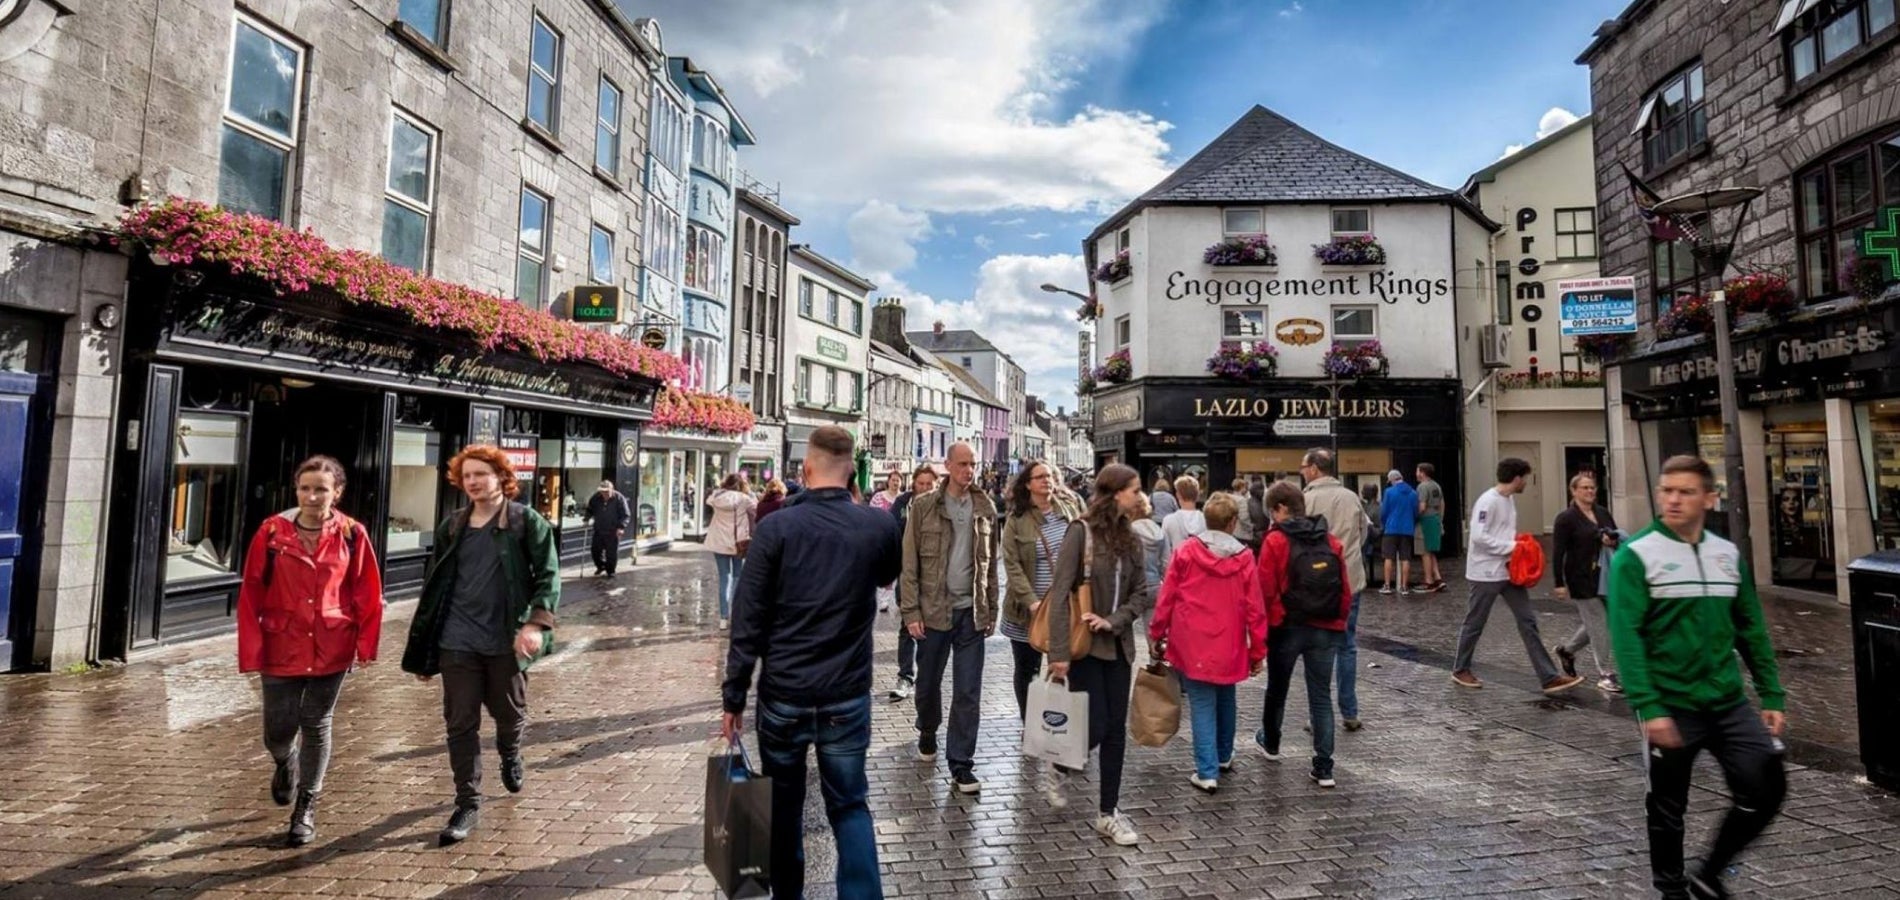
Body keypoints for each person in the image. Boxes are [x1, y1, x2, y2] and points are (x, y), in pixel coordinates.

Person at [722, 425, 901, 900]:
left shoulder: (777, 527)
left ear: (804, 468)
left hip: (784, 695)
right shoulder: (879, 526)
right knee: (850, 806)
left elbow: (749, 617)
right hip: (845, 696)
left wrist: (734, 694)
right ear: (853, 471)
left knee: (784, 809)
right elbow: (886, 574)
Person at [1610, 455, 1786, 900]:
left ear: (1710, 497)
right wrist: (1649, 707)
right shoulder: (1636, 555)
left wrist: (1771, 694)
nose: (1672, 499)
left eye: (1685, 491)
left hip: (1727, 702)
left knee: (1766, 785)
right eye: (1666, 490)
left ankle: (1709, 875)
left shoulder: (1726, 555)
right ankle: (1671, 891)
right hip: (1670, 705)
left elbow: (1750, 627)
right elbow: (1626, 636)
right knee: (1668, 808)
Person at [400, 445, 560, 846]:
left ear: (501, 477)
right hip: (458, 640)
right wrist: (426, 648)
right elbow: (435, 588)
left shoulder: (527, 522)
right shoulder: (452, 525)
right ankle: (467, 801)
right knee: (460, 723)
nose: (472, 482)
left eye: (481, 475)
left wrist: (536, 624)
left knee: (509, 713)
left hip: (506, 641)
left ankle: (510, 751)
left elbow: (549, 575)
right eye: (467, 475)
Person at [236, 455, 383, 847]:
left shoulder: (353, 534)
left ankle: (306, 806)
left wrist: (366, 645)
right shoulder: (271, 533)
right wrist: (250, 649)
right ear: (296, 490)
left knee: (316, 722)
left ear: (337, 492)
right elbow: (251, 591)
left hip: (332, 645)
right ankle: (285, 762)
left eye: (322, 488)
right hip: (280, 643)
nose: (313, 496)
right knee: (278, 731)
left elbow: (368, 591)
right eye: (306, 488)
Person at [1045, 464, 1154, 845]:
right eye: (1134, 489)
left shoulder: (1133, 537)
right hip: (1084, 647)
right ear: (1114, 493)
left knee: (1115, 732)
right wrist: (1058, 653)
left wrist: (1114, 620)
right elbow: (1059, 593)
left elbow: (1142, 592)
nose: (1140, 496)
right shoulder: (1081, 532)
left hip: (1118, 645)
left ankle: (1108, 813)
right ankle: (1061, 763)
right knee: (1096, 723)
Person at [1149, 493, 1265, 793]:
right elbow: (1255, 607)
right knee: (1226, 696)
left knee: (1201, 703)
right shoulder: (1244, 557)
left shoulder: (1187, 552)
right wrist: (1258, 650)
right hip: (1231, 639)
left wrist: (1157, 631)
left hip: (1191, 639)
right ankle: (1223, 755)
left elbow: (1168, 596)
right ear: (1232, 522)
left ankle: (1206, 770)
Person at [900, 442, 998, 795]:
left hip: (971, 613)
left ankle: (961, 765)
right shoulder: (924, 506)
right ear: (947, 466)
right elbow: (909, 565)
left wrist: (991, 609)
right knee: (927, 686)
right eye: (961, 464)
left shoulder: (985, 507)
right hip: (933, 612)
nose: (968, 471)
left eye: (972, 464)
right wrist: (910, 611)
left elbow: (989, 565)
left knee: (968, 691)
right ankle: (928, 729)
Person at [1450, 458, 1584, 694]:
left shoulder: (1508, 500)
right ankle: (1460, 669)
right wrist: (1513, 547)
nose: (1526, 484)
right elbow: (1479, 537)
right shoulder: (1487, 502)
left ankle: (1549, 677)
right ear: (1517, 478)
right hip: (1485, 573)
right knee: (1475, 622)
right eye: (1526, 478)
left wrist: (1515, 548)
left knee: (1527, 620)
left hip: (1509, 571)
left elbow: (1500, 533)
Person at [1253, 482, 1352, 788]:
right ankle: (1324, 767)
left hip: (1287, 626)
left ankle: (1271, 741)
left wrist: (1266, 627)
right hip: (1325, 626)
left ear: (1279, 509)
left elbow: (1265, 589)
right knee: (1321, 697)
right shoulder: (1330, 540)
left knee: (1277, 689)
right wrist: (1339, 621)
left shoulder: (1275, 542)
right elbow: (1344, 590)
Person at [998, 461, 1082, 721]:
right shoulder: (1017, 519)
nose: (1046, 480)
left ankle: (1061, 722)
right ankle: (1031, 722)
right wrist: (1032, 602)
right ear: (1028, 484)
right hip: (1027, 610)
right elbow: (1011, 564)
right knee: (1027, 670)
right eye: (1040, 477)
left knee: (1065, 668)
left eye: (1049, 475)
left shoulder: (1070, 510)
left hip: (1065, 607)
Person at [1297, 449, 1369, 732]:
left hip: (1315, 585)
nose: (1302, 471)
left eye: (1304, 467)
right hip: (1349, 579)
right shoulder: (1352, 497)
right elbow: (1364, 534)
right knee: (1347, 646)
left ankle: (1317, 716)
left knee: (1317, 648)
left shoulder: (1306, 499)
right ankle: (1349, 711)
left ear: (1314, 469)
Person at [1552, 473, 1624, 693]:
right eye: (1584, 488)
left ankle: (1567, 650)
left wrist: (1611, 538)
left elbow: (1615, 536)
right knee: (1599, 622)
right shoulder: (1566, 518)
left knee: (1601, 621)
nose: (1590, 491)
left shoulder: (1602, 512)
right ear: (1573, 491)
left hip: (1605, 575)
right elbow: (1558, 552)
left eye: (1592, 488)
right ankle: (1606, 673)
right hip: (1580, 577)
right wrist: (1559, 582)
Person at [886, 467, 938, 701]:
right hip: (907, 574)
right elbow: (891, 533)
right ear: (914, 484)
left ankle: (927, 678)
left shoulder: (944, 506)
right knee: (907, 626)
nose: (925, 488)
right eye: (921, 483)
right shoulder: (903, 504)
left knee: (933, 629)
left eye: (930, 484)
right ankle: (906, 676)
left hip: (936, 579)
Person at [705, 474, 756, 630]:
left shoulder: (716, 497)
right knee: (737, 576)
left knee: (724, 578)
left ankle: (723, 617)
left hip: (719, 542)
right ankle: (736, 614)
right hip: (737, 543)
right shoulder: (743, 499)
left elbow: (709, 500)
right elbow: (756, 508)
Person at [1379, 470, 1418, 596]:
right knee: (1405, 558)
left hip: (1391, 528)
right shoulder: (1413, 493)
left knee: (1388, 557)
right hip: (1407, 529)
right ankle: (1404, 587)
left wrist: (1384, 523)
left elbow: (1384, 511)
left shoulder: (1389, 492)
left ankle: (1387, 585)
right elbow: (1415, 512)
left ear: (1392, 480)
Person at [583, 480, 631, 578]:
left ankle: (610, 571)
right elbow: (590, 509)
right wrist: (586, 519)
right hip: (599, 529)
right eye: (602, 491)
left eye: (606, 491)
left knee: (611, 553)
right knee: (595, 551)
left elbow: (626, 515)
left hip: (612, 530)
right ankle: (601, 566)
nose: (604, 494)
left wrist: (621, 527)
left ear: (611, 490)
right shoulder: (596, 498)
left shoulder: (619, 498)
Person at [1159, 474, 1207, 568]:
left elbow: (1165, 552)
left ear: (1178, 495)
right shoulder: (1206, 519)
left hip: (1177, 568)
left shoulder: (1169, 520)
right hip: (1201, 569)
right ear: (1197, 495)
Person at [1415, 462, 1448, 592]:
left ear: (1422, 473)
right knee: (1431, 550)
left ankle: (1428, 581)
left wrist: (1414, 516)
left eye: (1417, 471)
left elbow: (1422, 506)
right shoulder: (1436, 486)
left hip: (1425, 521)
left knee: (1424, 552)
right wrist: (1440, 519)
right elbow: (1442, 503)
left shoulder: (1422, 487)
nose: (1416, 473)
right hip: (1435, 519)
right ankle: (1438, 578)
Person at [1130, 493, 1168, 589]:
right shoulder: (1159, 530)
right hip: (1156, 583)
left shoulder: (1130, 531)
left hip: (1136, 586)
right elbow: (1165, 562)